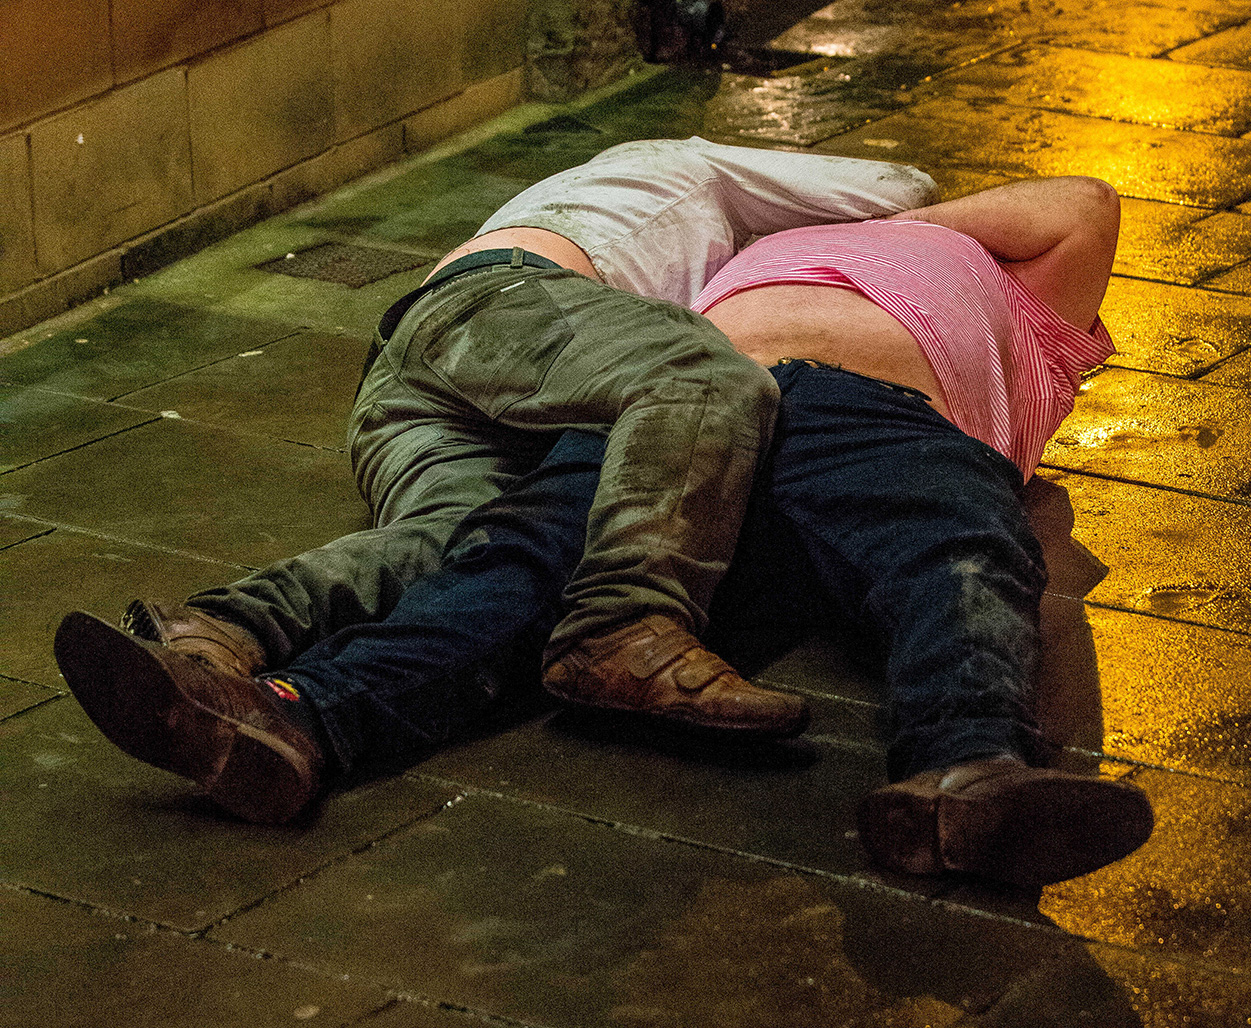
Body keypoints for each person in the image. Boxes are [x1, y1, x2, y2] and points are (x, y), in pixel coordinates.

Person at [54, 148, 1154, 887]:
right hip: (686, 413)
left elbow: (1081, 204)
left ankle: (970, 775)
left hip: (875, 418)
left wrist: (900, 229)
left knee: (957, 550)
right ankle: (293, 716)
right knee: (521, 565)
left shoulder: (1038, 312)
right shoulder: (703, 269)